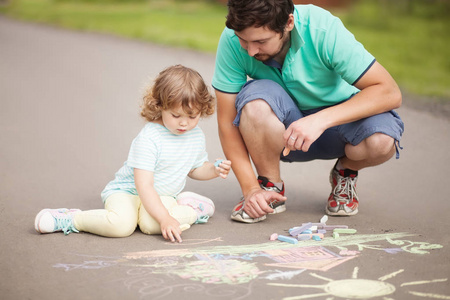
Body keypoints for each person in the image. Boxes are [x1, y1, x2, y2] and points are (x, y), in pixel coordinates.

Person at [212, 0, 404, 223]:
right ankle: (268, 186)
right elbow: (227, 124)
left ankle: (345, 172)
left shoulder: (322, 29)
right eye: (243, 40)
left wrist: (319, 120)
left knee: (382, 141)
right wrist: (250, 189)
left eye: (260, 41)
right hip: (283, 135)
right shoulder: (231, 40)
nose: (251, 50)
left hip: (338, 128)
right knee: (254, 105)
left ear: (289, 23)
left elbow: (390, 92)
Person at [35, 65, 232, 242]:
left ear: (202, 110)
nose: (184, 123)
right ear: (160, 106)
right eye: (176, 115)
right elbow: (143, 185)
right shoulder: (150, 137)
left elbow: (195, 169)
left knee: (152, 226)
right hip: (127, 192)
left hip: (163, 195)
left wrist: (213, 170)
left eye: (192, 116)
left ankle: (193, 210)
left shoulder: (195, 136)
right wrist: (165, 217)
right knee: (121, 225)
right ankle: (71, 220)